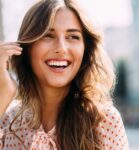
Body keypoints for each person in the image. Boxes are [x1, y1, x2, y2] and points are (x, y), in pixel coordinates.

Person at [0, 0, 129, 149]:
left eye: (73, 37)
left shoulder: (104, 122)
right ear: (27, 48)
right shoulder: (8, 120)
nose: (61, 48)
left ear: (85, 51)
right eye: (48, 35)